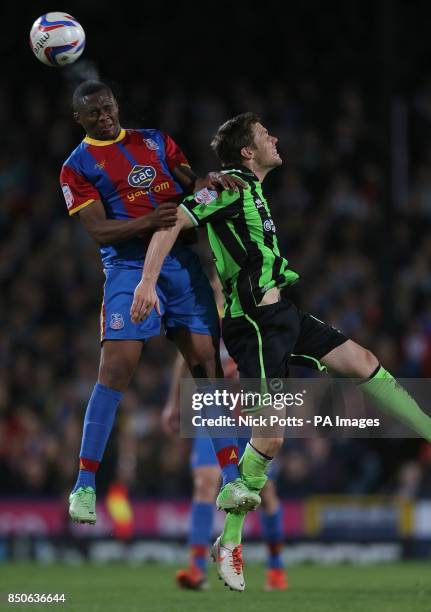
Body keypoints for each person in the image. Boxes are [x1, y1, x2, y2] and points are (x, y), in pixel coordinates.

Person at [130, 111, 431, 591]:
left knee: (364, 363)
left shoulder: (253, 188)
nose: (275, 136)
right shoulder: (225, 186)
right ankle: (229, 541)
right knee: (271, 437)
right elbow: (171, 224)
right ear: (248, 151)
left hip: (283, 314)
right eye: (265, 134)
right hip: (254, 322)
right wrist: (146, 282)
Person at [59, 82, 260, 526]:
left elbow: (192, 185)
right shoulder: (76, 167)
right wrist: (149, 221)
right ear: (80, 120)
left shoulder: (156, 141)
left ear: (116, 103)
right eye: (93, 113)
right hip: (127, 268)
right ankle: (85, 484)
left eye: (108, 106)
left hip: (181, 264)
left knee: (205, 366)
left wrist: (207, 181)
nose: (104, 116)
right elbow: (99, 231)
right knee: (116, 369)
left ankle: (230, 477)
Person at [162, 275, 287, 592]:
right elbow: (186, 357)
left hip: (250, 411)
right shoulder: (206, 315)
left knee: (265, 492)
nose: (220, 283)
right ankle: (196, 568)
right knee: (205, 482)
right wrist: (173, 403)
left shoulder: (253, 310)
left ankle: (275, 567)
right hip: (214, 408)